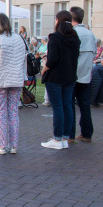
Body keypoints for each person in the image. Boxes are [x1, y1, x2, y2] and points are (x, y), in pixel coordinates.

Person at [0, 14, 27, 155]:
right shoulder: (19, 38)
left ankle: (1, 145)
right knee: (13, 112)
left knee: (1, 113)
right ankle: (13, 145)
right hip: (16, 79)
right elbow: (23, 59)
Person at [41, 10, 80, 150]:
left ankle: (57, 139)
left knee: (58, 108)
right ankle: (64, 138)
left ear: (57, 20)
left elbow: (52, 59)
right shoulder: (75, 38)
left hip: (56, 77)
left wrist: (44, 68)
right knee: (67, 107)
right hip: (70, 76)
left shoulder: (55, 37)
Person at [70, 6, 95, 143]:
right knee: (85, 105)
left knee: (70, 104)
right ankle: (86, 133)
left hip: (74, 73)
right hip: (86, 73)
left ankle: (70, 134)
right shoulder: (90, 33)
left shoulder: (73, 33)